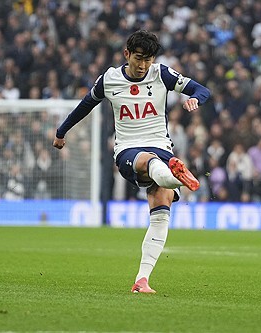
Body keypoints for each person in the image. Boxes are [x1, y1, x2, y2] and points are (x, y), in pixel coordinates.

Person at [52, 30, 211, 293]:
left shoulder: (162, 74)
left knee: (161, 209)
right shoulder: (110, 79)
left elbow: (201, 89)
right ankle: (177, 175)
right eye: (139, 58)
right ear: (127, 54)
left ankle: (142, 279)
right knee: (148, 161)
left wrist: (195, 98)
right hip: (128, 149)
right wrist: (61, 132)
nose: (143, 65)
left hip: (162, 146)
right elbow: (85, 105)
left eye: (148, 60)